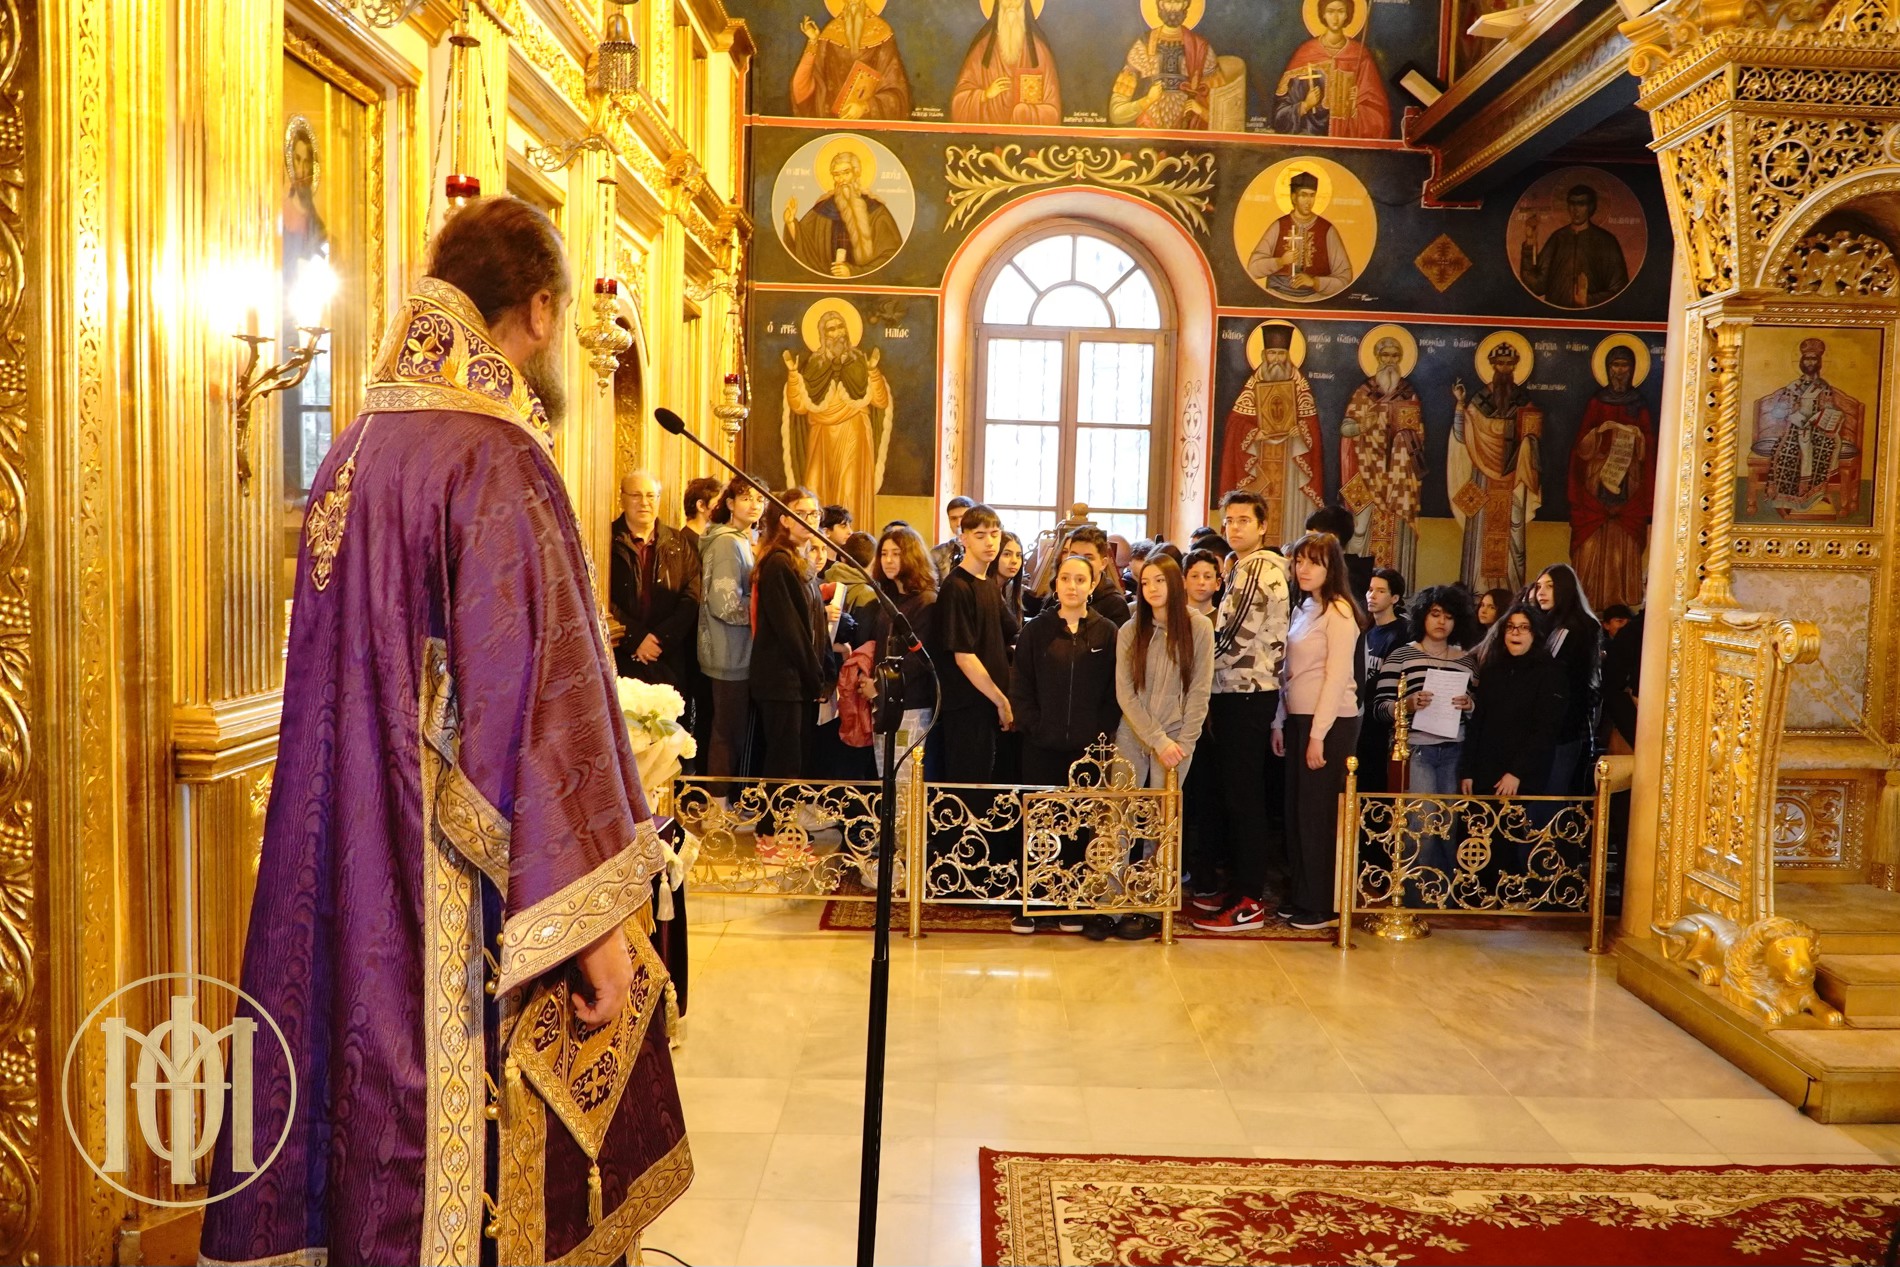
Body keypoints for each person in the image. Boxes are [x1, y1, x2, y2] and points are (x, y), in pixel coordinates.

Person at [199, 197, 687, 1265]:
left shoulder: (350, 449)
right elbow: (538, 706)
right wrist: (597, 928)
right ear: (541, 310)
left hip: (336, 856)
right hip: (442, 892)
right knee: (443, 1138)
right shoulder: (496, 455)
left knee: (344, 1081)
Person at [1189, 490, 1291, 926]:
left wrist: (1194, 665)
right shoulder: (1244, 566)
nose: (1233, 527)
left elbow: (1233, 639)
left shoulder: (1256, 568)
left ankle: (1248, 898)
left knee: (1244, 798)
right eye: (1229, 520)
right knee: (1234, 795)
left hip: (1245, 692)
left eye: (1244, 520)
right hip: (1241, 690)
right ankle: (1238, 889)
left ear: (1263, 526)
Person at [1259, 532, 1369, 933]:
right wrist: (1279, 721)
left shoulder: (1339, 612)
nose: (1303, 569)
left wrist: (1318, 735)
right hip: (1299, 718)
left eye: (1314, 562)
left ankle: (1321, 902)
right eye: (1300, 561)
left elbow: (1337, 678)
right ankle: (1302, 893)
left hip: (1331, 722)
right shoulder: (1303, 607)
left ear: (1331, 568)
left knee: (1317, 814)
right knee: (1295, 811)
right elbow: (1288, 671)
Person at [1008, 553, 1122, 934]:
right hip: (1041, 745)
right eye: (1066, 579)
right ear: (1055, 584)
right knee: (1039, 822)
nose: (1072, 586)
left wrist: (1098, 734)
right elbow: (1020, 687)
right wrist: (1035, 726)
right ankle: (1033, 901)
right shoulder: (1035, 631)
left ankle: (1071, 901)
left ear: (1093, 585)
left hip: (1086, 750)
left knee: (1078, 824)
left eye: (1080, 579)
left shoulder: (1107, 632)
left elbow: (1113, 694)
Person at [750, 488, 830, 788]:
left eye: (814, 514)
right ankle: (774, 817)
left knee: (798, 758)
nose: (810, 520)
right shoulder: (778, 563)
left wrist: (824, 670)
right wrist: (814, 675)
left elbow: (815, 620)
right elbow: (790, 629)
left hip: (799, 679)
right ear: (784, 519)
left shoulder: (800, 560)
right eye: (802, 514)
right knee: (784, 761)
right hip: (782, 679)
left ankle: (788, 813)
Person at [781, 312, 892, 527]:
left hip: (853, 432)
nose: (837, 333)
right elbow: (799, 406)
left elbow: (880, 400)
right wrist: (794, 375)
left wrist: (872, 371)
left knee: (849, 489)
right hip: (821, 435)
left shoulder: (860, 362)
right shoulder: (814, 365)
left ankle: (849, 537)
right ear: (823, 335)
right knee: (815, 486)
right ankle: (816, 539)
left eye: (840, 327)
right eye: (830, 329)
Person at [1216, 323, 1323, 546]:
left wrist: (1300, 431)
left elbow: (1311, 426)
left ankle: (1289, 548)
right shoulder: (1253, 384)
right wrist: (1254, 434)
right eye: (1272, 353)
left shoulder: (1300, 385)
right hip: (1259, 461)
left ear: (1288, 356)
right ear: (1264, 355)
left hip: (1290, 463)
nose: (1276, 359)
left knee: (1289, 512)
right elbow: (1235, 424)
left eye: (1281, 354)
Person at [1449, 340, 1543, 591]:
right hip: (1483, 479)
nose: (1504, 368)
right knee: (1481, 536)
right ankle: (1478, 591)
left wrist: (1529, 439)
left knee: (1512, 534)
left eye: (1509, 364)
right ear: (1492, 366)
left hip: (1513, 478)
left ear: (1514, 367)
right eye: (1500, 363)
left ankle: (1510, 591)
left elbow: (1533, 435)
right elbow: (1462, 435)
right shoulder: (1478, 401)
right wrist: (1460, 404)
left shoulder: (1524, 401)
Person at [1569, 344, 1656, 610]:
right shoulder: (1597, 401)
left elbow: (1649, 446)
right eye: (1615, 365)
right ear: (1607, 369)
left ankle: (1622, 601)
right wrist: (1599, 433)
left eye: (1624, 365)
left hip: (1628, 482)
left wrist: (1636, 436)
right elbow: (1581, 447)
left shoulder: (1639, 403)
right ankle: (1588, 601)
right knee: (1592, 541)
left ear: (1633, 369)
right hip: (1596, 483)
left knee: (1623, 539)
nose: (1620, 371)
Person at [1375, 585, 1480, 804]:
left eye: (1449, 617)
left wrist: (1469, 705)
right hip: (1416, 749)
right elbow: (1379, 708)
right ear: (1422, 616)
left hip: (1456, 749)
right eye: (1435, 614)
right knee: (1422, 819)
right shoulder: (1401, 656)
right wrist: (1406, 705)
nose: (1442, 622)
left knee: (1449, 820)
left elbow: (1481, 712)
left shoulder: (1466, 662)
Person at [1117, 554, 1214, 790]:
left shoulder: (1199, 626)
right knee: (1121, 808)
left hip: (1177, 733)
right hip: (1133, 730)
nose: (1152, 588)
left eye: (1160, 580)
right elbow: (1125, 693)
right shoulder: (1130, 630)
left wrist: (1186, 742)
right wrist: (1157, 740)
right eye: (1145, 582)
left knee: (1167, 809)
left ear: (1176, 582)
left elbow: (1200, 690)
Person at [1459, 601, 1568, 799]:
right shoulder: (1492, 669)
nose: (1515, 633)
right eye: (1510, 627)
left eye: (1524, 627)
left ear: (1535, 634)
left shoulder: (1550, 671)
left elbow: (1545, 729)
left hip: (1523, 777)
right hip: (1484, 772)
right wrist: (1467, 771)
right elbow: (1478, 723)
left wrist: (1517, 773)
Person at [1749, 336, 1865, 518]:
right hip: (1794, 429)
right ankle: (1788, 499)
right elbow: (1780, 411)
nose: (1810, 362)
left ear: (1819, 362)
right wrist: (1796, 417)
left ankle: (1814, 495)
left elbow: (1829, 408)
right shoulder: (1793, 387)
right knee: (1789, 451)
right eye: (1807, 359)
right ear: (1801, 361)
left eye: (1814, 359)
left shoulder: (1823, 387)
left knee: (1823, 447)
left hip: (1819, 431)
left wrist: (1827, 417)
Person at [1339, 333, 1426, 576]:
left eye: (1395, 356)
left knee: (1397, 529)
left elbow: (1418, 435)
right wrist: (1362, 426)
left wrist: (1403, 439)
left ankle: (1396, 582)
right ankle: (1356, 582)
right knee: (1361, 527)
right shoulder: (1364, 392)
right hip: (1367, 469)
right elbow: (1346, 428)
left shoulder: (1408, 394)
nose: (1390, 361)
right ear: (1377, 358)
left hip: (1398, 477)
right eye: (1385, 355)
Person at [937, 504, 1013, 782]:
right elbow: (964, 656)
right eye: (980, 535)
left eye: (994, 534)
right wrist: (1000, 700)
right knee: (968, 788)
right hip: (967, 707)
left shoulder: (989, 583)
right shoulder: (956, 586)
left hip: (988, 703)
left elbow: (1008, 636)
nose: (989, 542)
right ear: (963, 538)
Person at [611, 469, 703, 693]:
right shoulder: (606, 541)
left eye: (651, 496)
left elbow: (692, 595)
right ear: (621, 498)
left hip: (668, 654)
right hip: (621, 653)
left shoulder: (678, 542)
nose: (644, 502)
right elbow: (598, 596)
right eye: (636, 495)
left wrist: (660, 638)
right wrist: (636, 638)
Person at [699, 476, 767, 777]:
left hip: (736, 650)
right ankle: (718, 798)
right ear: (729, 503)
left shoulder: (740, 539)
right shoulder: (728, 542)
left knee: (732, 731)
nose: (754, 505)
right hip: (729, 652)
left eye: (760, 499)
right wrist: (763, 608)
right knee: (728, 733)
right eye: (746, 498)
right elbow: (725, 604)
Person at [860, 525, 939, 777]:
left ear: (912, 556)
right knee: (886, 777)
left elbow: (918, 661)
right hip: (885, 702)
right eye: (884, 554)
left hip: (912, 704)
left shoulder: (927, 601)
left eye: (896, 553)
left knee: (906, 781)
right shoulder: (889, 599)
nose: (888, 560)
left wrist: (879, 687)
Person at [1531, 563, 1602, 795]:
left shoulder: (1575, 628)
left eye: (1549, 586)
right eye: (1538, 586)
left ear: (1564, 588)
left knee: (1552, 795)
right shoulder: (1548, 623)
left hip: (1564, 728)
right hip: (1549, 725)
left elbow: (1563, 679)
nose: (1541, 592)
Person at [1271, 0, 1391, 137]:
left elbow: (1378, 114)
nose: (1335, 18)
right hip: (1310, 137)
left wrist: (1356, 104)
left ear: (1347, 14)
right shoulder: (1306, 53)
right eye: (1330, 11)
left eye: (1340, 11)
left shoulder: (1360, 55)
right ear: (1323, 14)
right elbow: (1280, 116)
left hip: (1346, 137)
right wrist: (1305, 105)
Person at [781, 149, 905, 277]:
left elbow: (891, 254)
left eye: (846, 173)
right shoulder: (823, 209)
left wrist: (854, 272)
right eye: (836, 174)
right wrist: (790, 222)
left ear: (856, 173)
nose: (841, 179)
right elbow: (803, 242)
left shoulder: (876, 211)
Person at [1109, 0, 1228, 129]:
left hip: (1187, 129)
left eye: (1177, 2)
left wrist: (1200, 110)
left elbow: (1226, 116)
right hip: (1149, 130)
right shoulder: (1143, 46)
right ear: (1160, 4)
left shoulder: (1200, 48)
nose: (1172, 8)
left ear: (1186, 4)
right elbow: (1116, 114)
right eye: (1167, 1)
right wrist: (1147, 100)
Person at [790, 0, 912, 120]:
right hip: (833, 121)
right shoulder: (829, 34)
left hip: (870, 123)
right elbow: (808, 85)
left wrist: (865, 107)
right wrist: (813, 41)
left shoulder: (882, 33)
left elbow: (896, 92)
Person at [1518, 184, 1630, 309]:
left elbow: (1619, 289)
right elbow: (1537, 286)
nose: (1575, 209)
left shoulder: (1606, 241)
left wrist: (1587, 300)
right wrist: (1530, 242)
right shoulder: (1558, 238)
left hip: (1591, 314)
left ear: (1591, 207)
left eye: (1581, 204)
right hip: (1556, 312)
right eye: (1572, 203)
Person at [951, 0, 1062, 125]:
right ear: (998, 6)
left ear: (1025, 6)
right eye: (1006, 1)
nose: (1011, 5)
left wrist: (1024, 113)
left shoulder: (1039, 52)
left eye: (1016, 1)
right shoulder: (982, 50)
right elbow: (959, 103)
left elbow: (1053, 111)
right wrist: (985, 94)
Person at [1247, 170, 1353, 300]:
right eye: (1303, 195)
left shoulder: (1327, 230)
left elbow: (1345, 278)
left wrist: (1315, 282)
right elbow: (1253, 269)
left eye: (1312, 195)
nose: (1308, 201)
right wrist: (1280, 261)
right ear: (1294, 198)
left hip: (1314, 298)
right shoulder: (1278, 226)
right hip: (1277, 295)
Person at [1355, 566, 1408, 793]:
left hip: (1382, 718)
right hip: (1361, 714)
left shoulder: (1401, 633)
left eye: (1380, 591)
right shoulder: (1365, 629)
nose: (1372, 595)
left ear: (1394, 598)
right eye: (1370, 590)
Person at [1064, 525, 1132, 626]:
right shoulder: (1060, 594)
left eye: (1088, 558)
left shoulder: (1115, 605)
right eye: (1074, 556)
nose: (1080, 563)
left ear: (1103, 563)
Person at [933, 494, 975, 577]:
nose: (959, 523)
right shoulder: (937, 554)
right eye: (953, 518)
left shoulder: (985, 550)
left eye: (963, 517)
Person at [681, 474, 722, 547]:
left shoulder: (710, 537)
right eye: (718, 503)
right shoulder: (685, 543)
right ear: (701, 506)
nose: (722, 508)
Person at [1182, 547, 1223, 617]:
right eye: (1195, 576)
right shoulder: (1172, 618)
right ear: (1184, 581)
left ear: (1218, 583)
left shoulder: (1223, 620)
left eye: (1207, 577)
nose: (1201, 582)